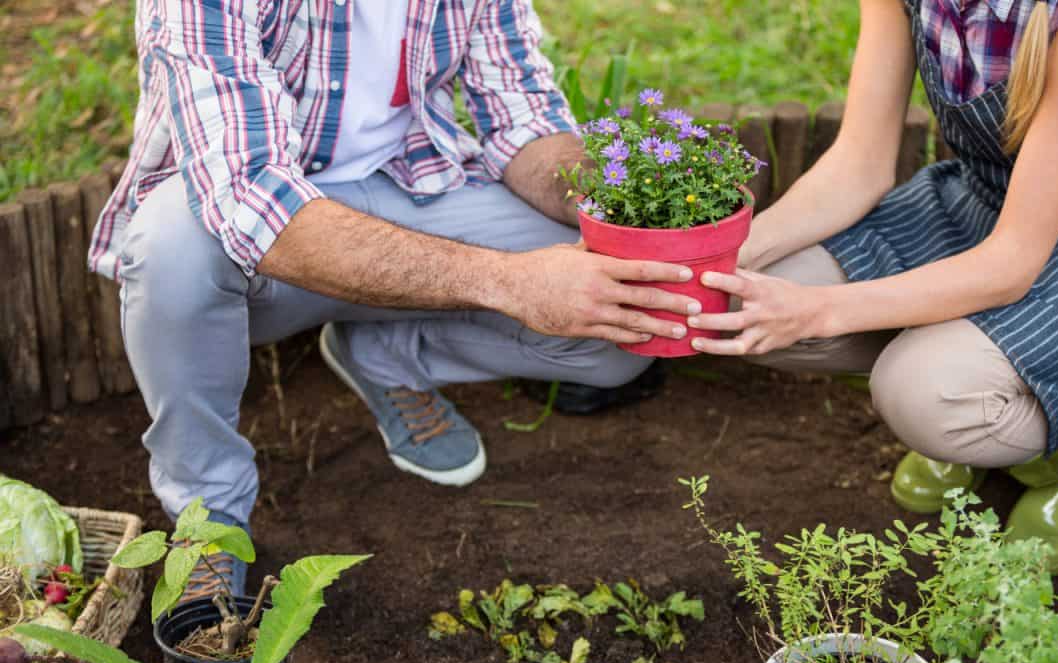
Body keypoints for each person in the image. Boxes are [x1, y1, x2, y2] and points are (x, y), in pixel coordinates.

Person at [89, 0, 699, 599]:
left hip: (410, 187)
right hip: (257, 241)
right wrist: (513, 281)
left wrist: (617, 203)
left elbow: (525, 121)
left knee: (626, 321)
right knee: (170, 247)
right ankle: (208, 518)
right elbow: (251, 195)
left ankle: (386, 353)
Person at [688, 0, 1058, 574]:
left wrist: (818, 310)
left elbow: (1011, 264)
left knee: (920, 391)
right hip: (979, 210)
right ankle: (970, 392)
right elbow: (858, 164)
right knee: (745, 297)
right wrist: (715, 264)